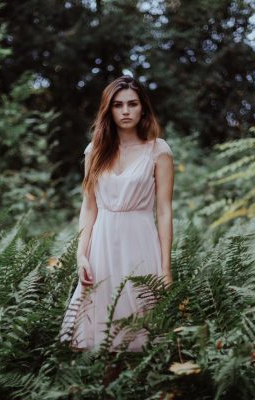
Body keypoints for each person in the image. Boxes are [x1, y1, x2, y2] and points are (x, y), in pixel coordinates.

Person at [59, 75, 174, 353]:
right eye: (118, 105)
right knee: (97, 333)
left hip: (141, 241)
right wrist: (81, 254)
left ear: (143, 108)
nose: (125, 111)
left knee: (143, 328)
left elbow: (164, 210)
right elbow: (88, 207)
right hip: (102, 244)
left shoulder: (158, 150)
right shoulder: (95, 151)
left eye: (132, 104)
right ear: (108, 110)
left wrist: (166, 268)